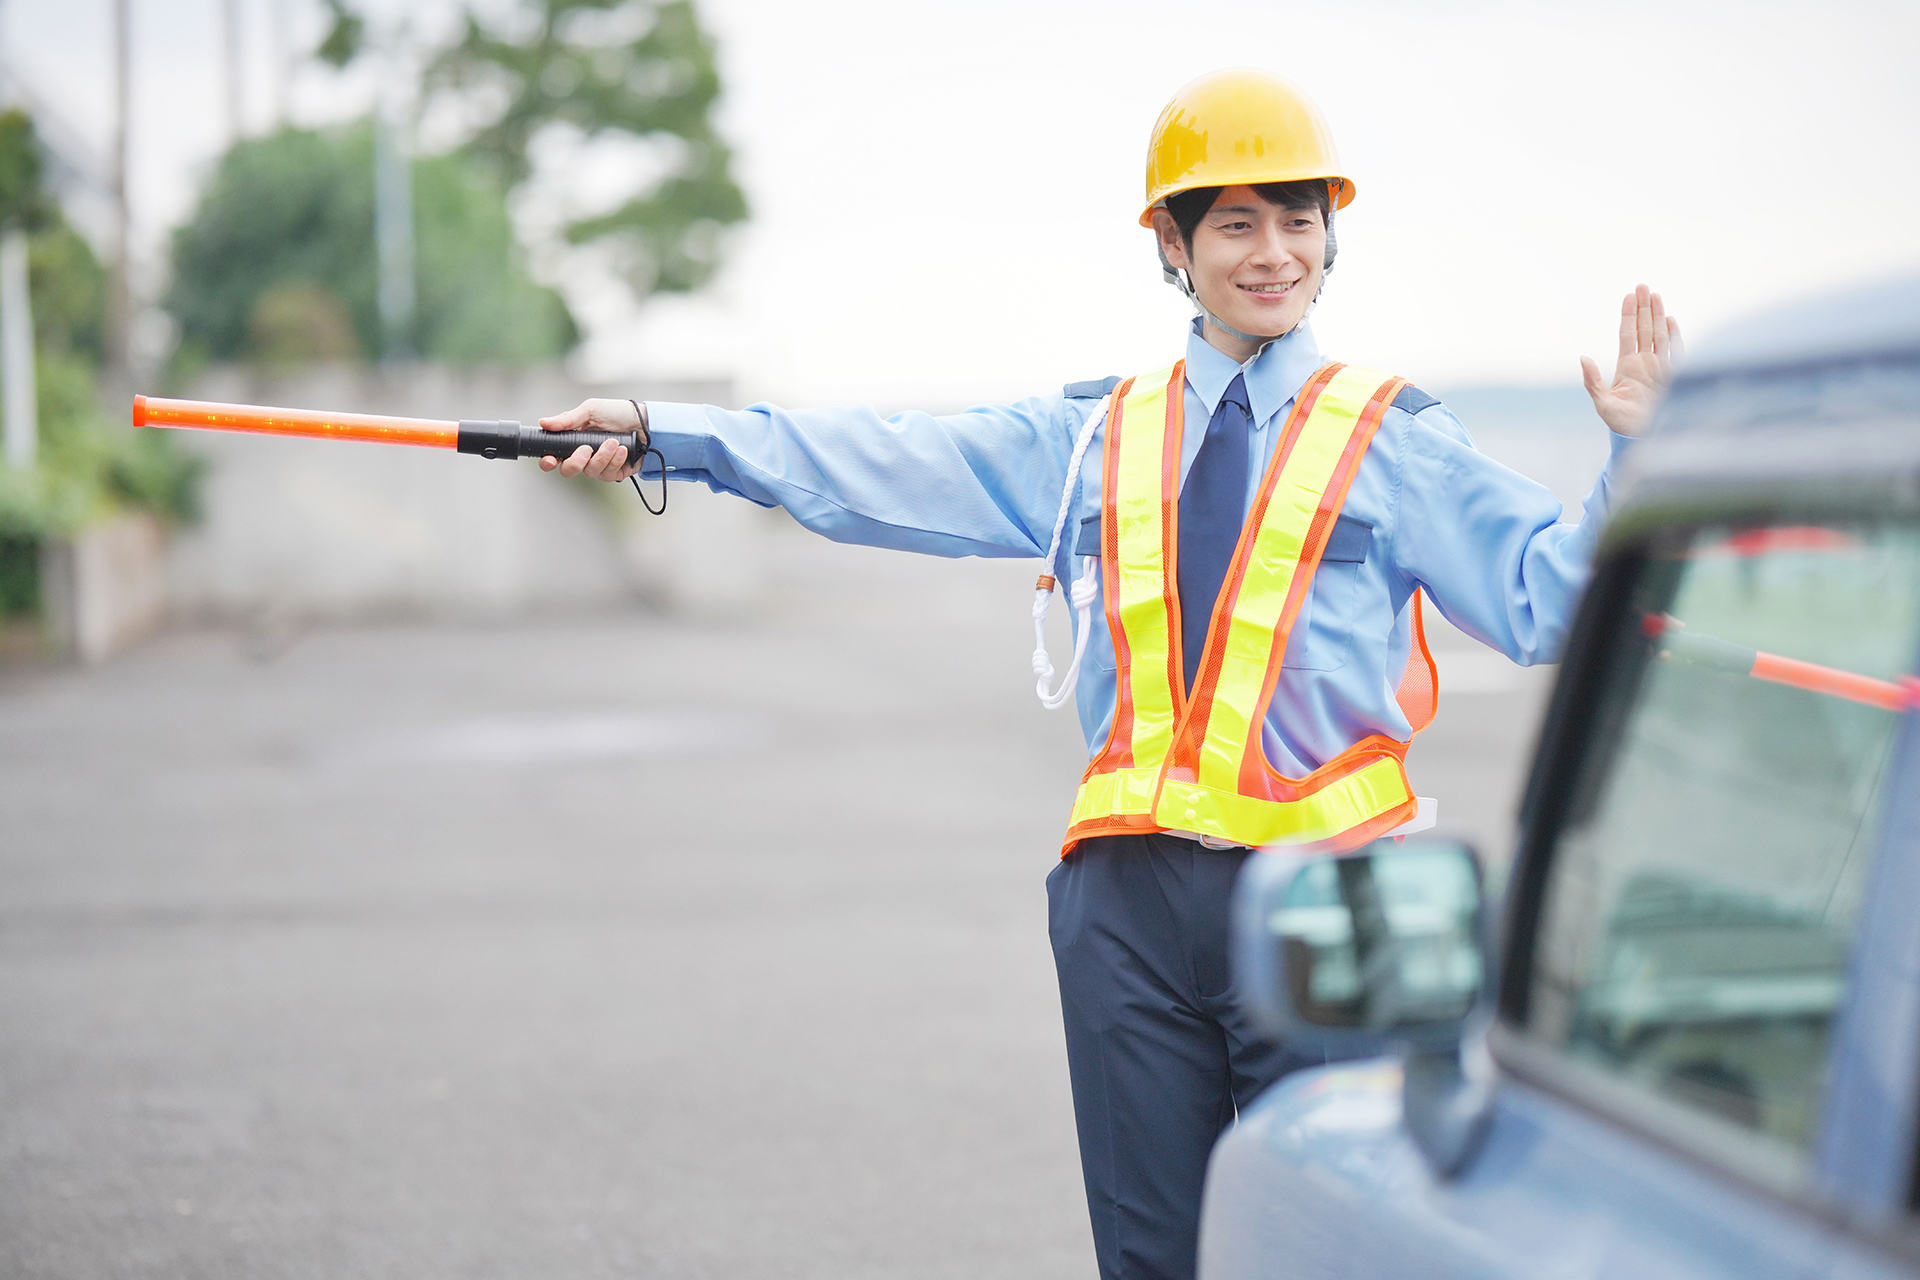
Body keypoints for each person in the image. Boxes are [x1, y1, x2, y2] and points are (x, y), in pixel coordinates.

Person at [536, 68, 1679, 1280]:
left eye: (1298, 221)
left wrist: (1638, 459)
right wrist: (677, 435)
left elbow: (1550, 600)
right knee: (1151, 1259)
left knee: (1337, 1256)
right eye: (1236, 222)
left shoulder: (1392, 439)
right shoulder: (1093, 435)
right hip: (1127, 909)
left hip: (1324, 910)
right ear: (1174, 247)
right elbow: (882, 460)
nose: (1274, 252)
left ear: (1330, 237)